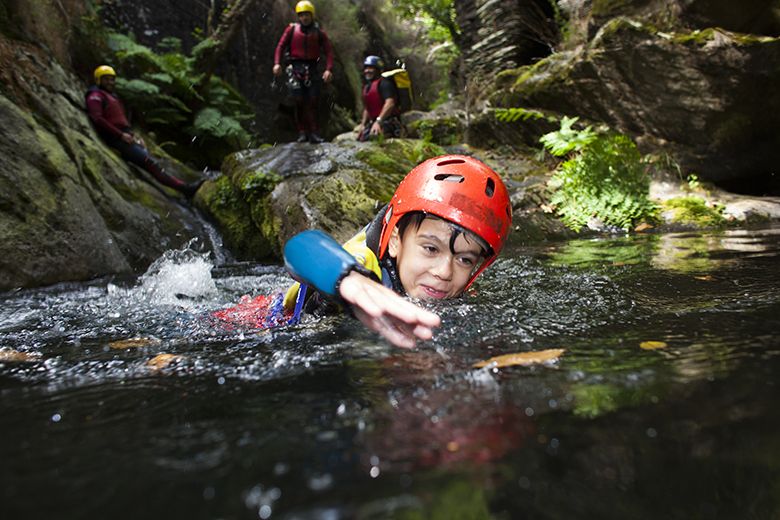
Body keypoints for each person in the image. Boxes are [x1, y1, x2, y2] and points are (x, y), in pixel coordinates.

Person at [214, 155, 512, 349]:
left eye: (464, 259)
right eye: (430, 248)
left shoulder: (455, 291)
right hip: (245, 326)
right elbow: (302, 247)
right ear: (395, 240)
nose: (444, 272)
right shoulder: (361, 264)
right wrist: (351, 280)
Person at [85, 65, 203, 198]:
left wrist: (133, 136)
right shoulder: (95, 96)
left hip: (125, 137)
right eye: (106, 79)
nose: (110, 82)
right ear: (98, 80)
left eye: (112, 79)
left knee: (153, 161)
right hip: (116, 139)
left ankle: (184, 188)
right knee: (151, 163)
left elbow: (120, 119)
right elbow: (97, 118)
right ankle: (186, 190)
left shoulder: (111, 96)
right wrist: (121, 135)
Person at [272, 0, 334, 144]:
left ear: (312, 15)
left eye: (306, 15)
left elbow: (329, 51)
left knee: (312, 101)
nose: (304, 18)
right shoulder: (291, 30)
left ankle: (314, 132)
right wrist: (277, 64)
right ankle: (302, 132)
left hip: (312, 69)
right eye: (301, 15)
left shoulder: (319, 33)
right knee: (298, 101)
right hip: (295, 69)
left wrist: (328, 69)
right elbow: (280, 46)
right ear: (298, 16)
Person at [356, 55, 403, 141]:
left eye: (371, 68)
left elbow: (390, 103)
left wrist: (378, 121)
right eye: (366, 68)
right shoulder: (367, 87)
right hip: (376, 121)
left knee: (374, 137)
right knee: (361, 139)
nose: (367, 71)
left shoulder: (385, 84)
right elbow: (367, 108)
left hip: (388, 121)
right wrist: (362, 125)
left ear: (378, 70)